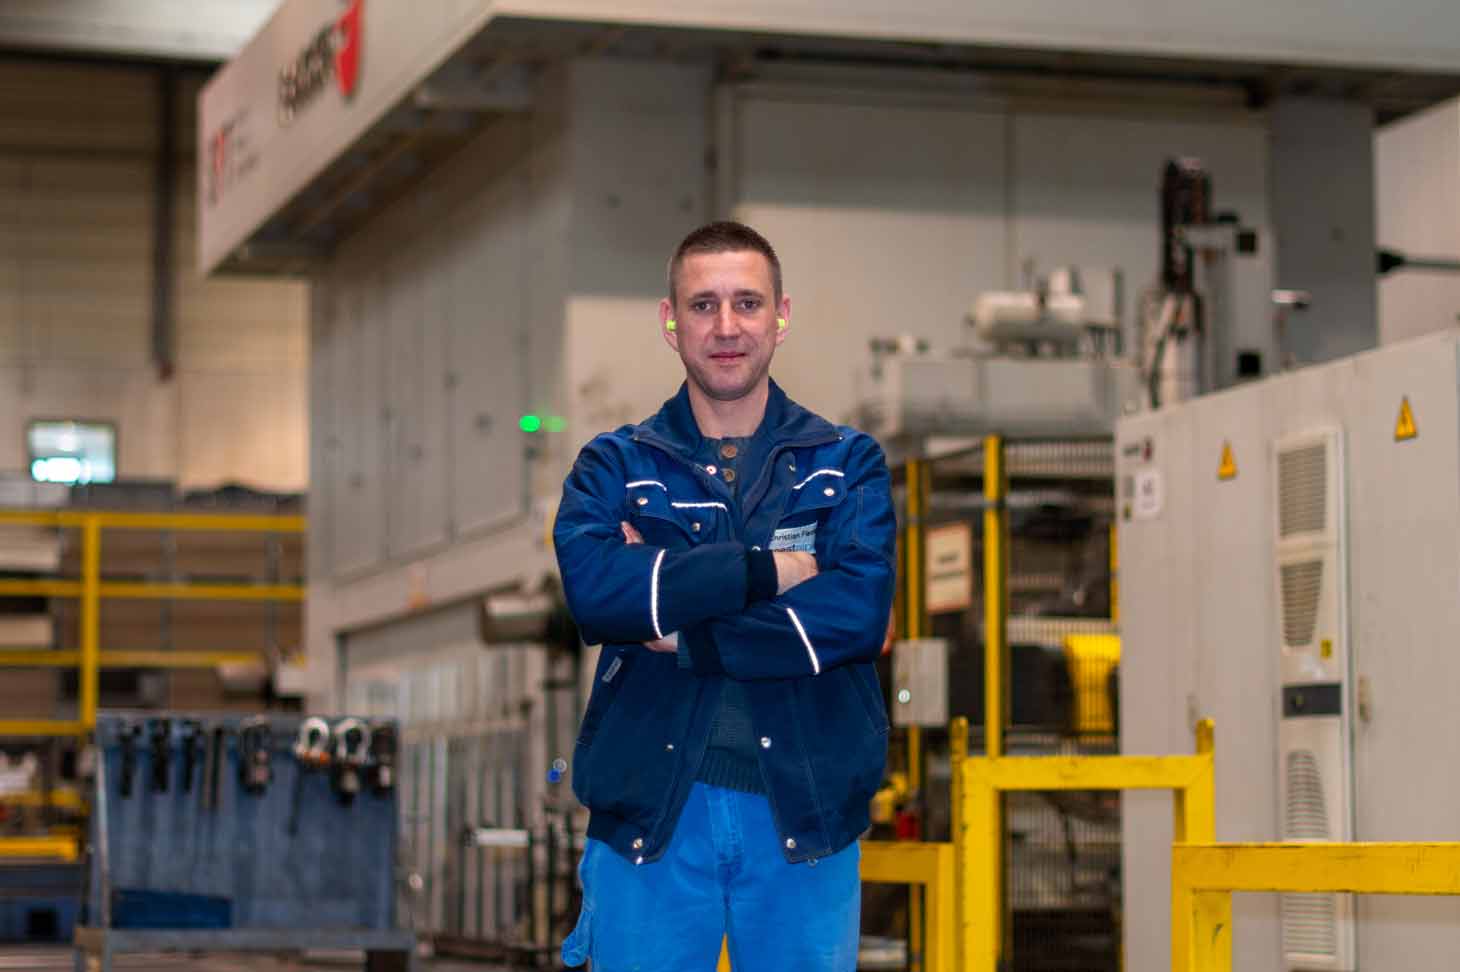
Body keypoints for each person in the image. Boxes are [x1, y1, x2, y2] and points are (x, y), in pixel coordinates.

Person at [553, 220, 896, 971]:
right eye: (703, 305)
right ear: (669, 322)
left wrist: (684, 628)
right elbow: (600, 596)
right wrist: (773, 573)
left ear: (782, 315)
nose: (727, 326)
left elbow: (858, 614)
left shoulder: (846, 463)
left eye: (747, 302)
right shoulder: (616, 464)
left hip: (806, 819)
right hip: (651, 819)